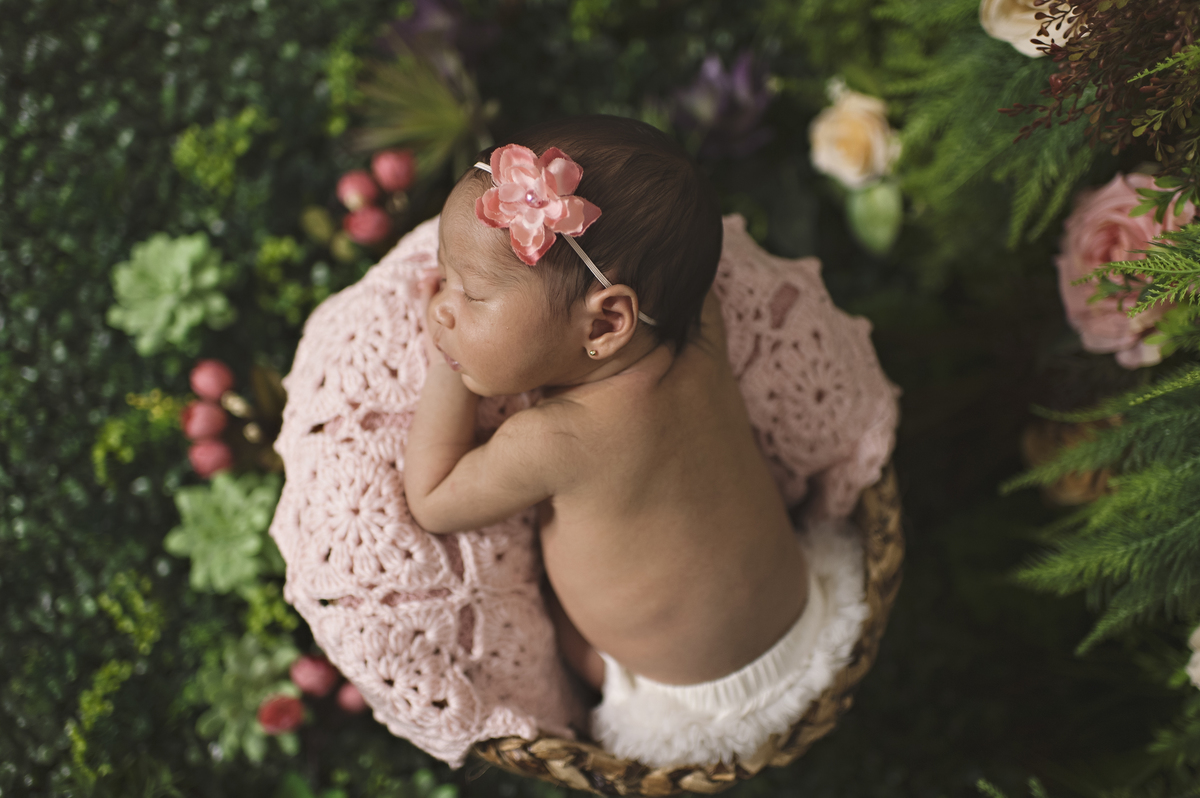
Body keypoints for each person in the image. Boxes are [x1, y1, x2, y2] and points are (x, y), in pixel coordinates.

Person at [403, 115, 828, 766]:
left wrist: (447, 361)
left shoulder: (554, 438)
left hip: (684, 697)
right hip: (803, 614)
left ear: (607, 322)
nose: (440, 305)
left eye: (473, 294)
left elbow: (430, 498)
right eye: (445, 277)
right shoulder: (699, 329)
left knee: (543, 615)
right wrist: (480, 311)